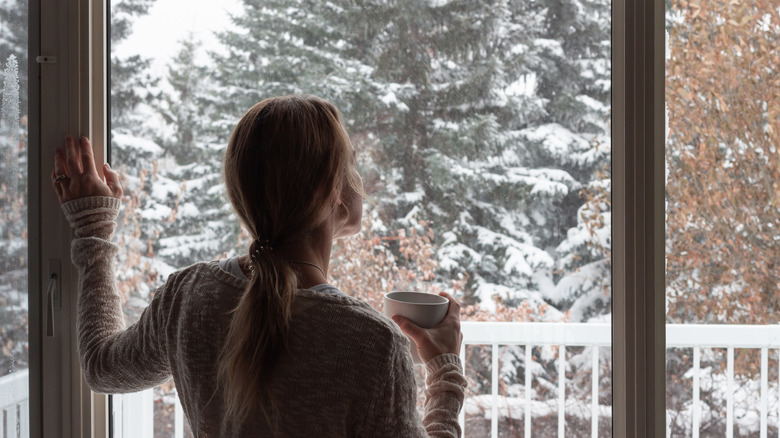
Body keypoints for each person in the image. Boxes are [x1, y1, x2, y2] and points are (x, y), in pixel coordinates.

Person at [52, 95, 467, 437]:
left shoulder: (189, 296)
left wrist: (93, 229)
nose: (359, 178)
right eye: (351, 163)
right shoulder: (371, 344)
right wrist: (445, 371)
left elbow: (101, 367)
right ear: (328, 192)